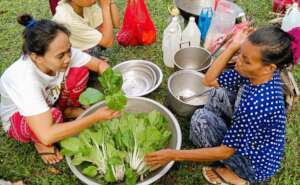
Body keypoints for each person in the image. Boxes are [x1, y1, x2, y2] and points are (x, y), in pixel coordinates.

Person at [145, 26, 300, 185]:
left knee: (200, 121)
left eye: (246, 60)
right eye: (240, 54)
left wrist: (173, 155)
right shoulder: (259, 73)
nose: (238, 63)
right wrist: (233, 46)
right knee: (215, 93)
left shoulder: (257, 103)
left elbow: (225, 152)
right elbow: (209, 81)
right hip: (252, 134)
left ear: (269, 67)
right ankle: (228, 132)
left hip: (256, 162)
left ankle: (240, 175)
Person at [0, 14, 120, 165]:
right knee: (53, 117)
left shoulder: (63, 52)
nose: (68, 58)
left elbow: (99, 65)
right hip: (18, 117)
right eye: (60, 56)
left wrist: (114, 86)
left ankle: (67, 110)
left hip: (48, 99)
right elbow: (47, 134)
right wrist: (95, 117)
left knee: (80, 72)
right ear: (36, 57)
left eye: (68, 50)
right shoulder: (24, 79)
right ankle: (40, 144)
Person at [52, 0, 120, 53]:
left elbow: (115, 24)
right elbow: (108, 42)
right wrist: (105, 7)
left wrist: (110, 2)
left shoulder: (85, 4)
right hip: (69, 60)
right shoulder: (67, 20)